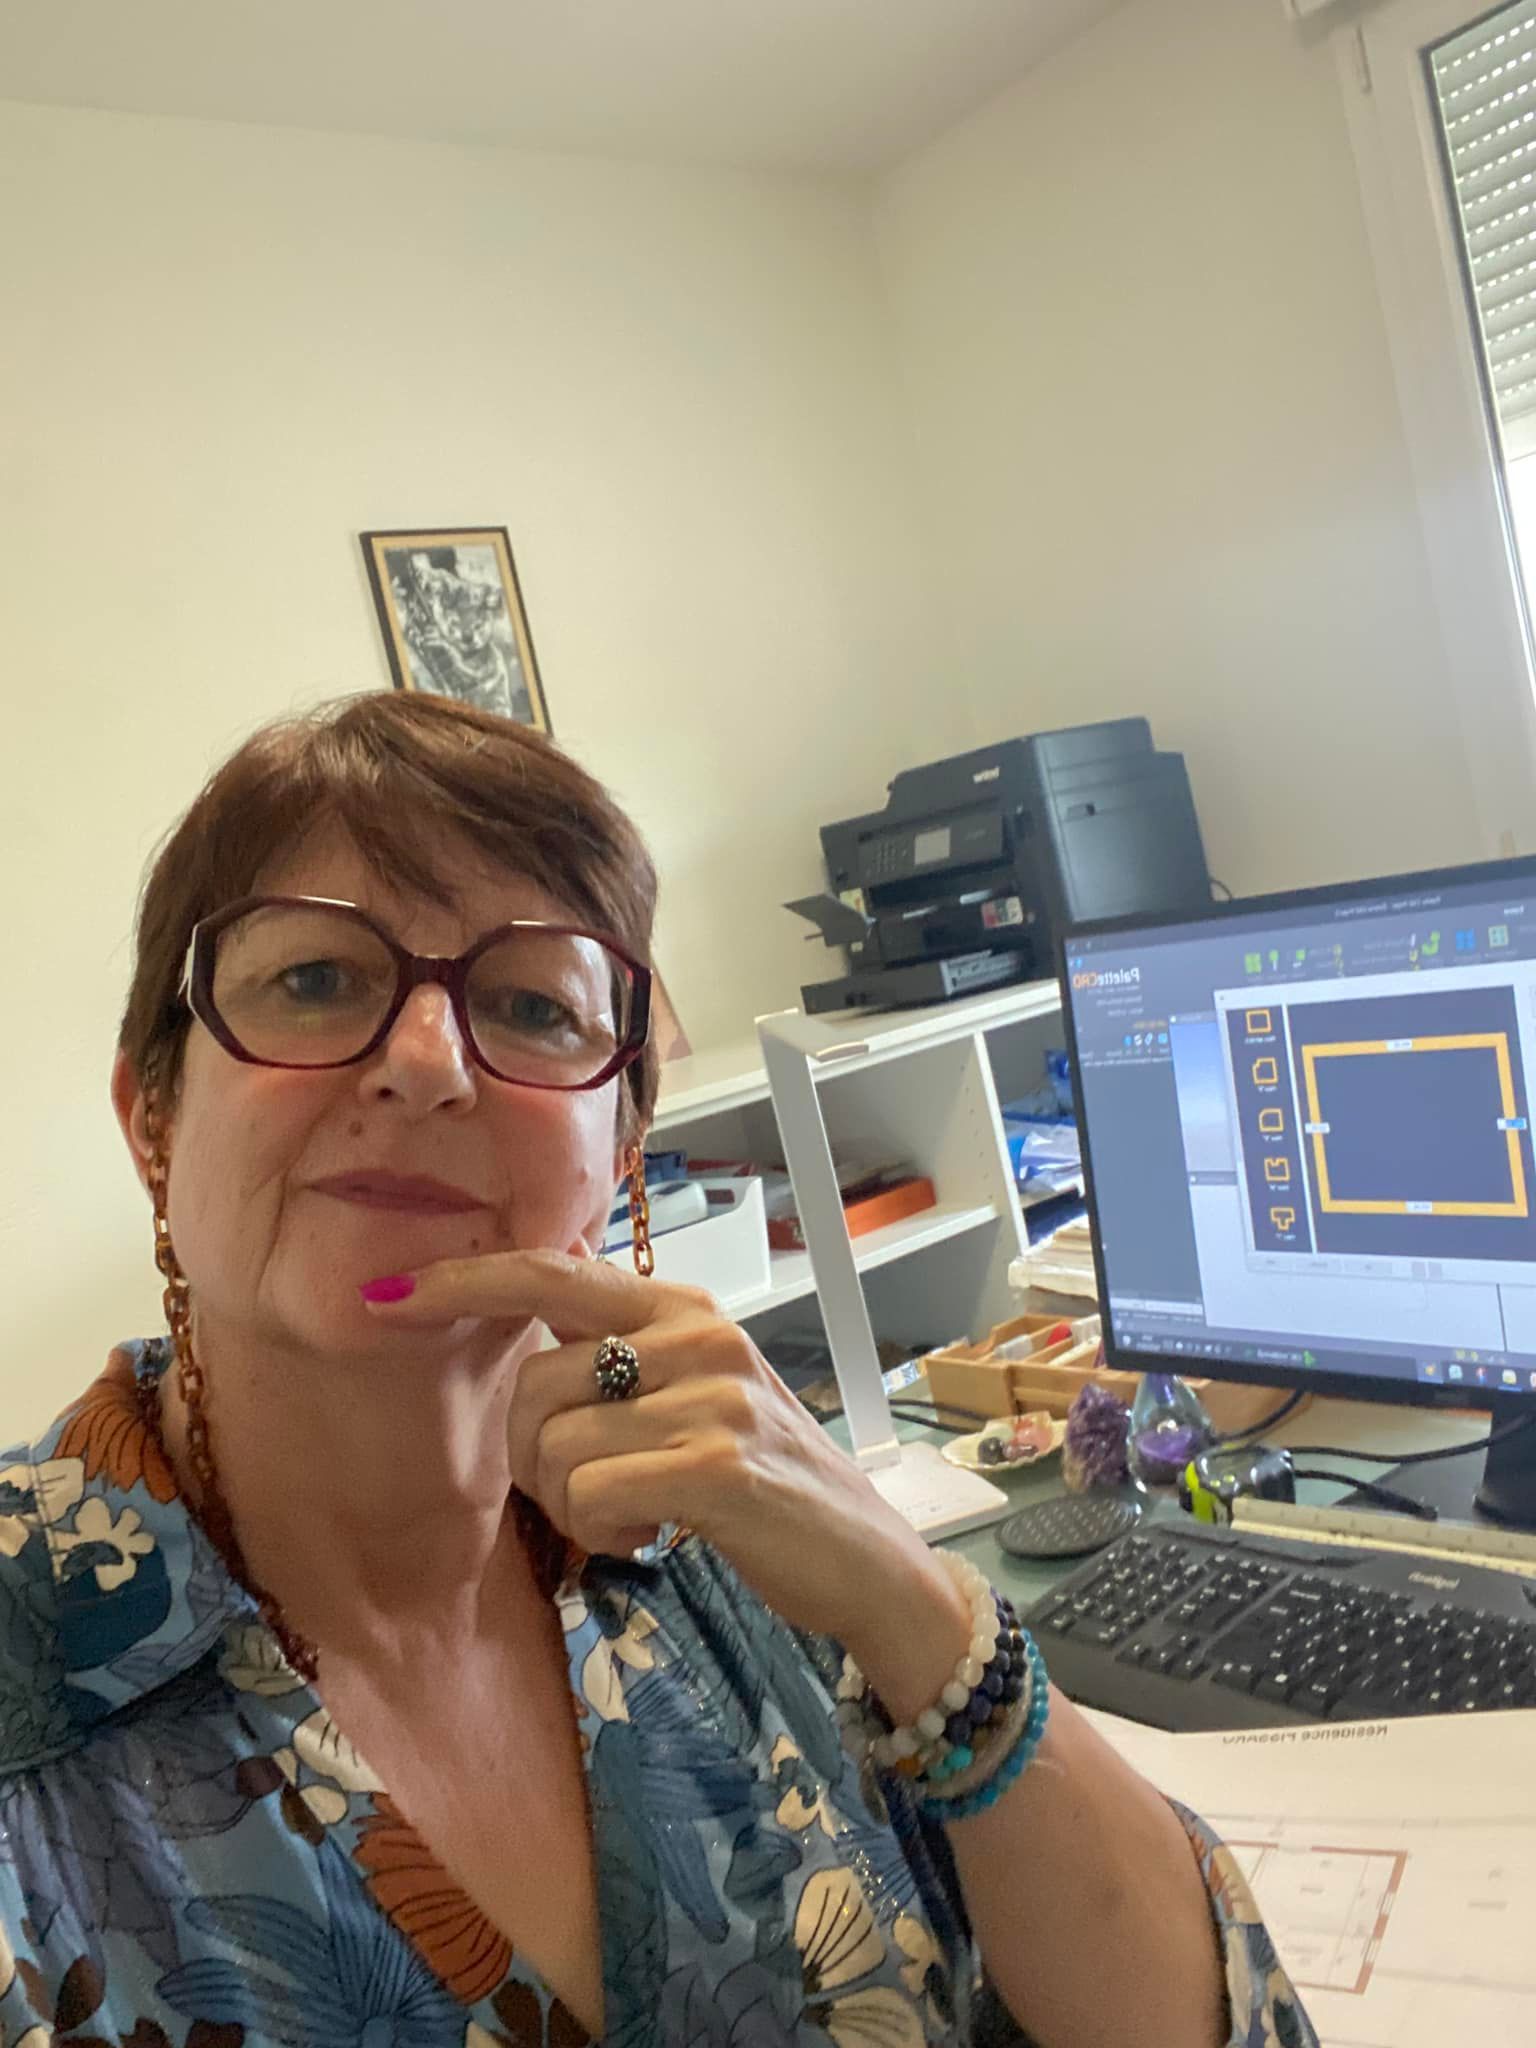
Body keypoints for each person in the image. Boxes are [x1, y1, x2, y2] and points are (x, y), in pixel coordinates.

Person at [0, 692, 1315, 2048]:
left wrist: (916, 1609)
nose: (427, 1063)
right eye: (316, 979)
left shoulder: (743, 1542)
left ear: (621, 1153)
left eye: (531, 1006)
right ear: (152, 1118)